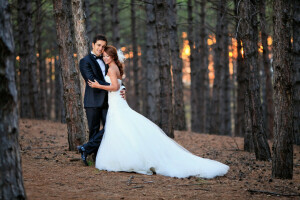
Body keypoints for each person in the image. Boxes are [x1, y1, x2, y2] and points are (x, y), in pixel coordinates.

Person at [88, 45, 229, 179]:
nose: (105, 58)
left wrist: (97, 85)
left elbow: (113, 87)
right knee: (121, 129)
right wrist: (121, 88)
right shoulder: (114, 67)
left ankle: (129, 160)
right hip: (116, 103)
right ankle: (123, 157)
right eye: (104, 56)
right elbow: (118, 85)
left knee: (122, 127)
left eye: (107, 56)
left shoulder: (112, 69)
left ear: (113, 57)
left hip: (117, 104)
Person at [77, 35, 125, 166]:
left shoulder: (106, 59)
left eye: (103, 46)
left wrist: (122, 87)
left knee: (110, 128)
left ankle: (87, 149)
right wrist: (114, 87)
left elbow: (115, 76)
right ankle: (95, 158)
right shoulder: (85, 61)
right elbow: (92, 80)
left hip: (109, 101)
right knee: (94, 129)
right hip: (92, 101)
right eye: (98, 45)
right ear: (93, 45)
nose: (101, 48)